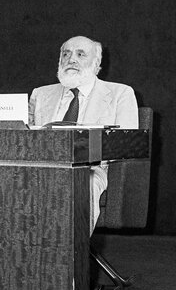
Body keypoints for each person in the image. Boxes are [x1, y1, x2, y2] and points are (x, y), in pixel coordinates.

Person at [29, 35, 139, 234]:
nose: (72, 59)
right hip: (44, 167)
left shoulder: (120, 94)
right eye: (66, 54)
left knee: (81, 183)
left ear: (96, 63)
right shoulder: (40, 94)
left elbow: (127, 145)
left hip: (90, 170)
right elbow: (23, 138)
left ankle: (67, 258)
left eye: (81, 54)